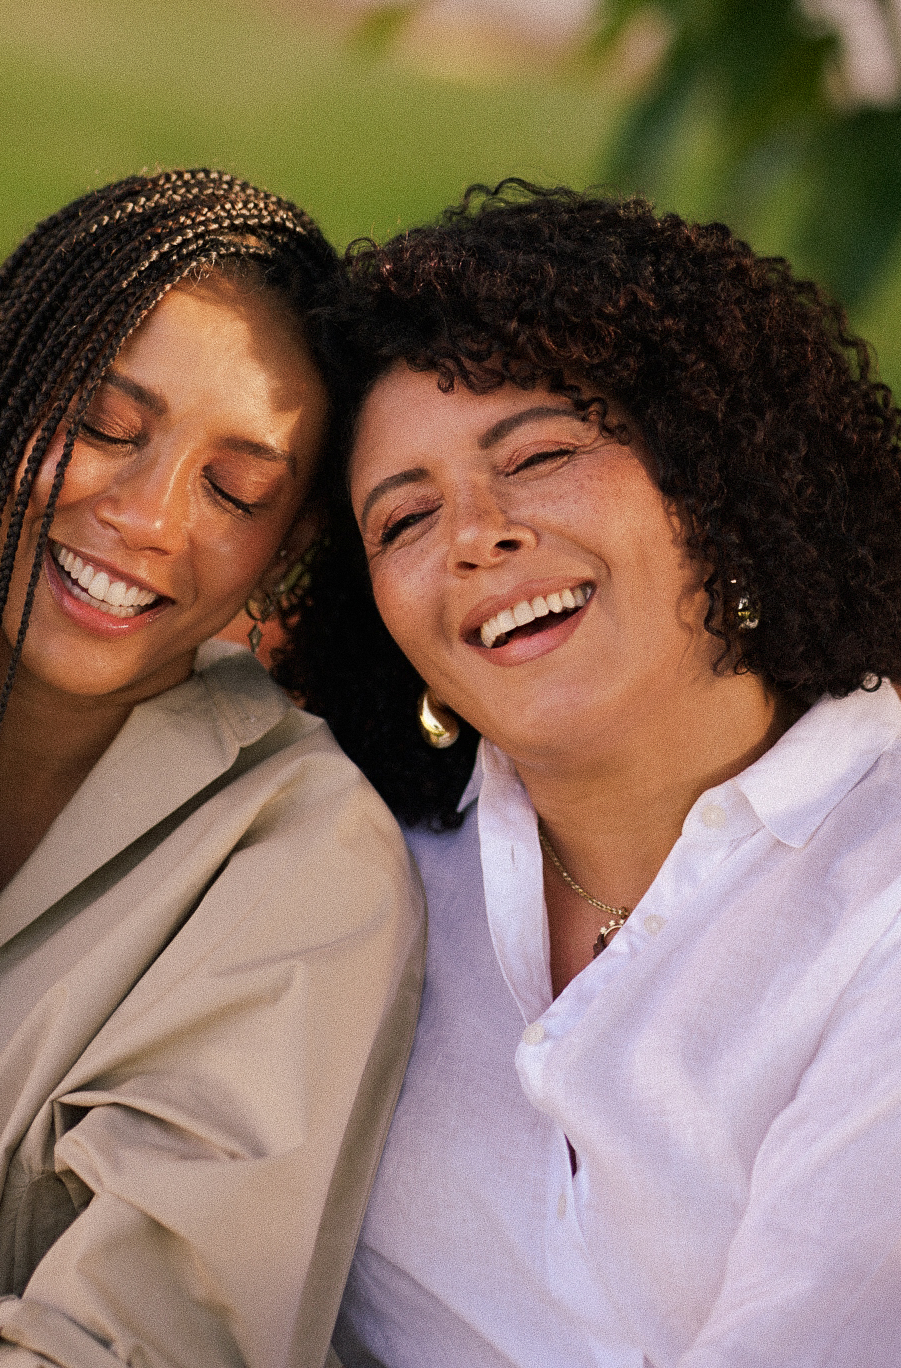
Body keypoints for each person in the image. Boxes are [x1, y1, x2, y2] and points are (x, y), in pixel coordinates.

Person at [286, 181, 901, 1368]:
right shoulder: (358, 871)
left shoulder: (880, 895)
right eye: (404, 521)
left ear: (713, 471)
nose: (477, 534)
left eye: (541, 455)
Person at [0, 169, 424, 1368]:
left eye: (235, 489)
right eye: (103, 424)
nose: (149, 518)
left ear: (288, 546)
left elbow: (135, 1339)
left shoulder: (301, 869)